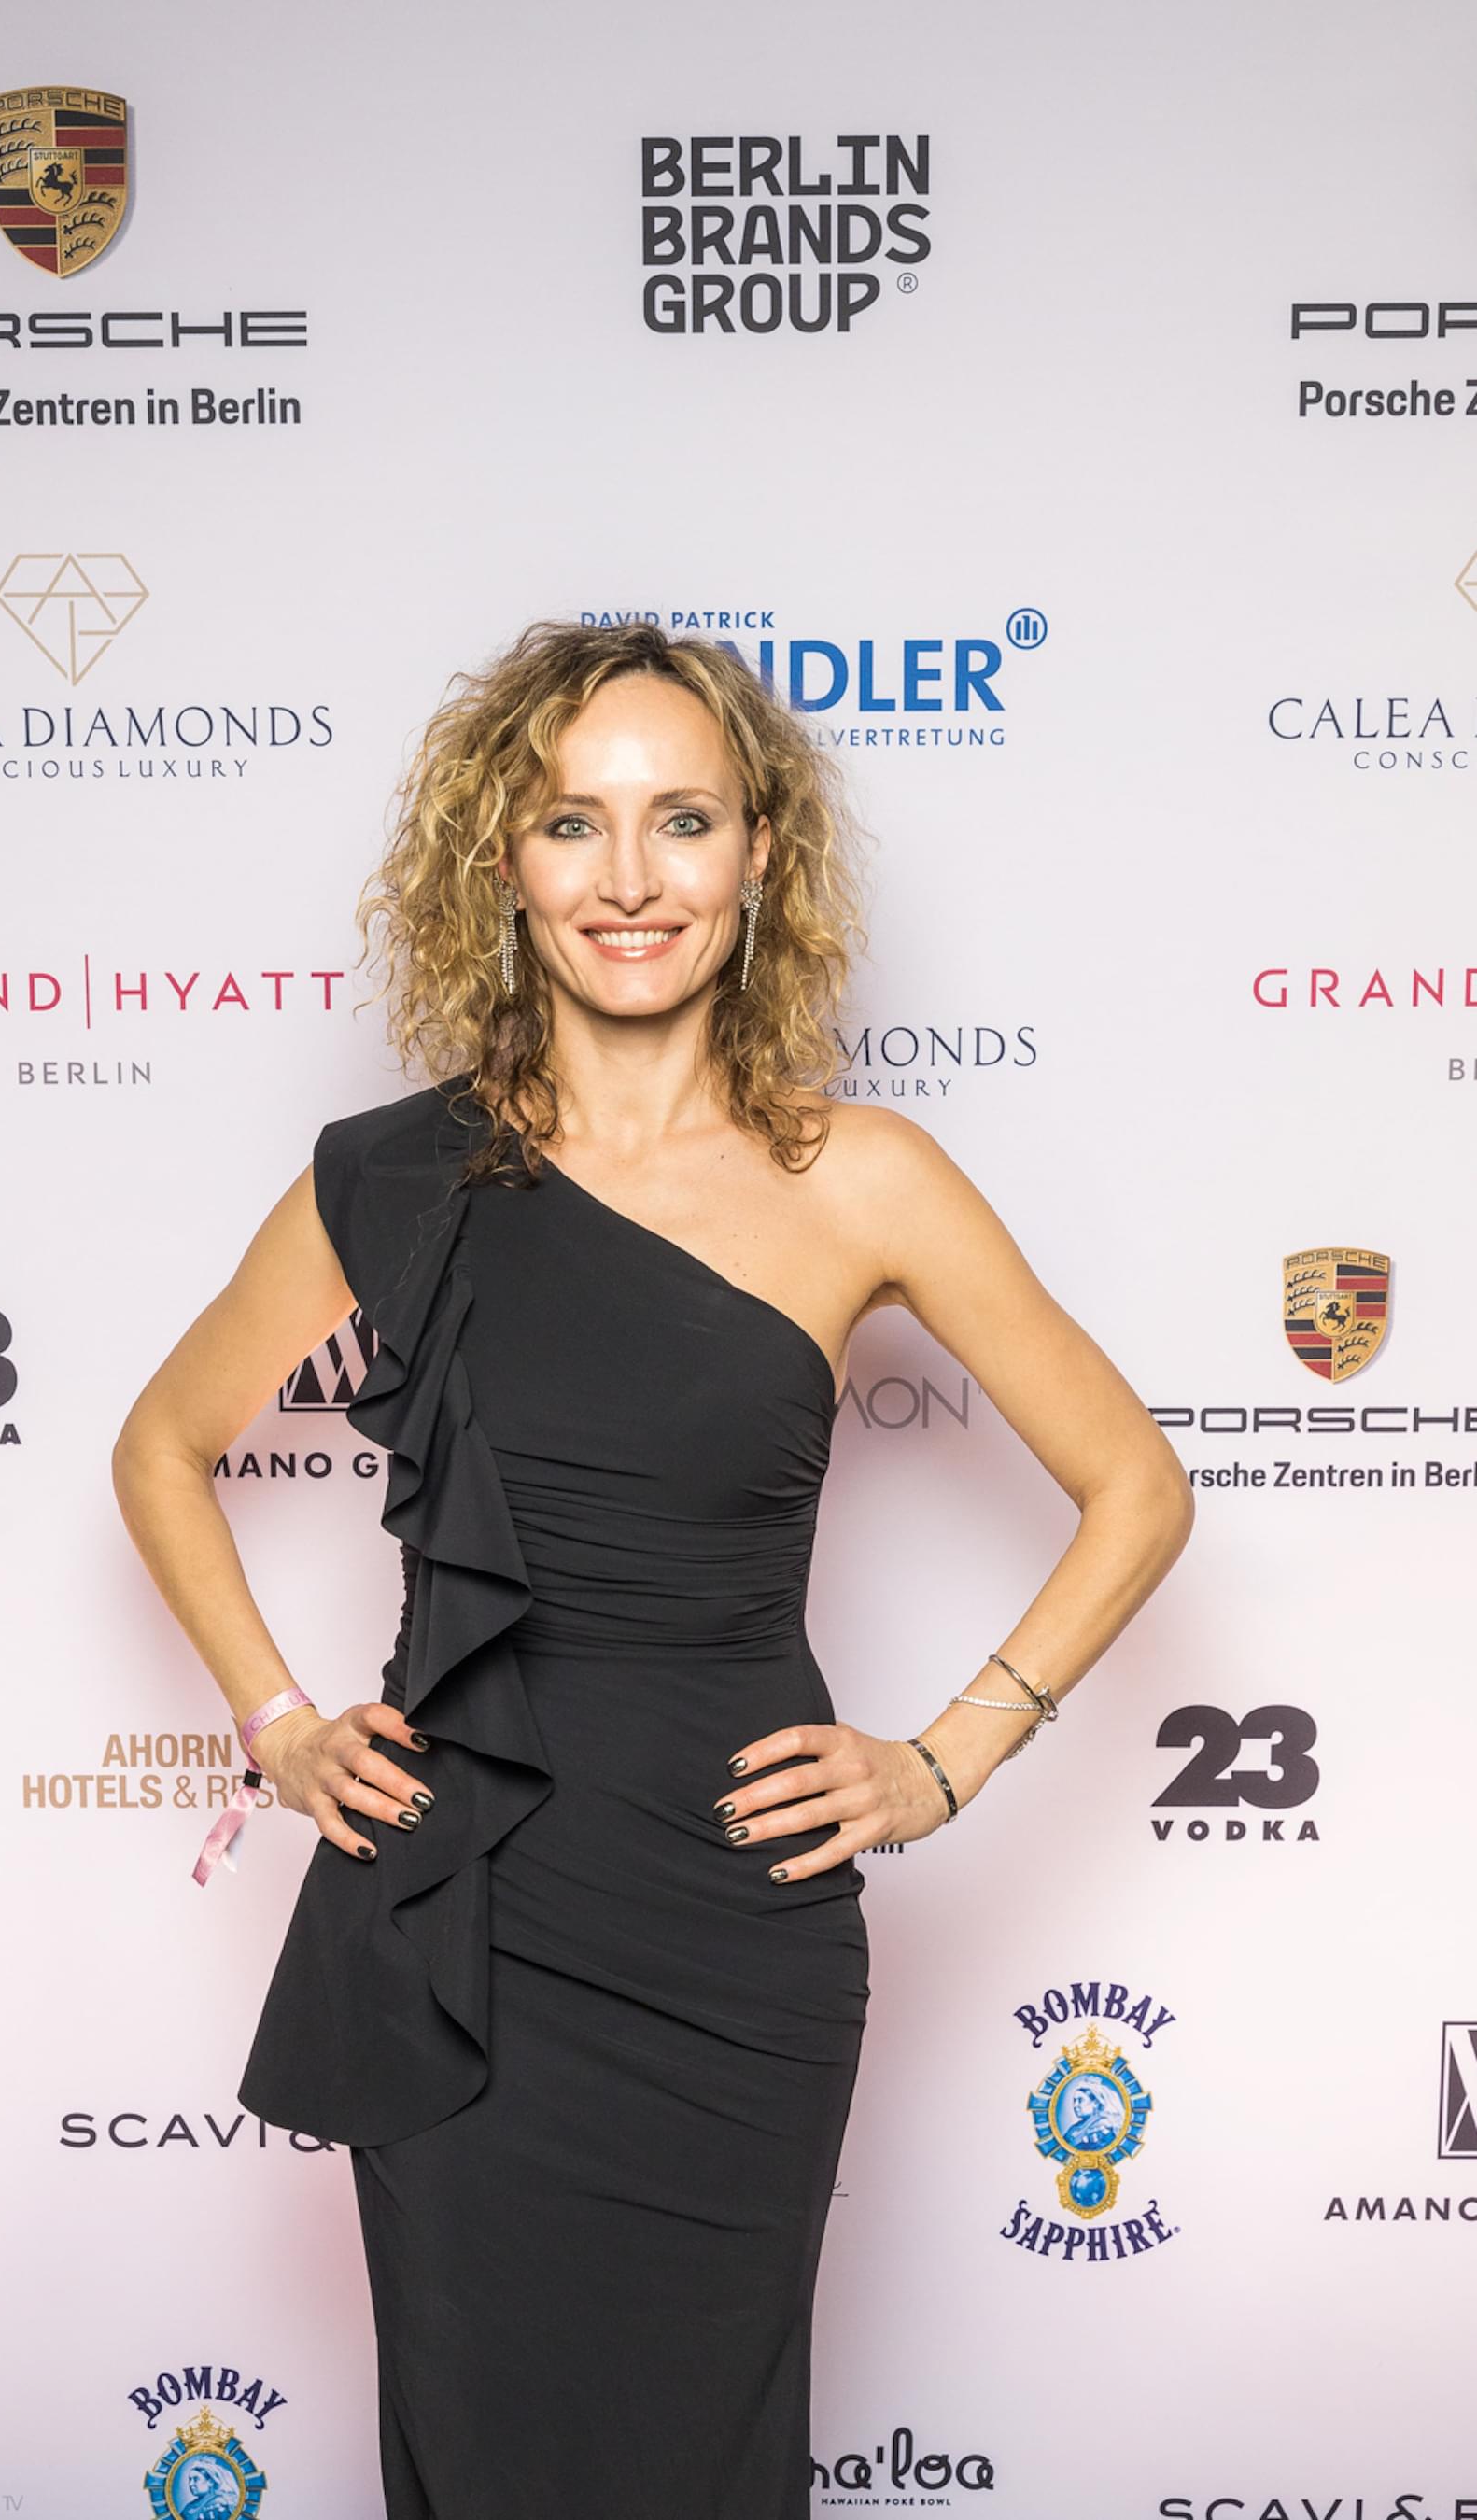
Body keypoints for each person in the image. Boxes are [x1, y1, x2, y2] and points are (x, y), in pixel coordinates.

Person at [111, 618, 1194, 2520]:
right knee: (483, 2450)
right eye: (572, 823)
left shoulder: (865, 1177)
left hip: (731, 1930)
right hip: (462, 1922)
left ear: (758, 853)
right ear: (503, 861)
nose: (629, 879)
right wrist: (277, 1722)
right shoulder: (393, 1175)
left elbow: (1138, 1489)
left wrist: (945, 1759)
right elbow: (160, 1448)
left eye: (681, 820)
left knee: (704, 2454)